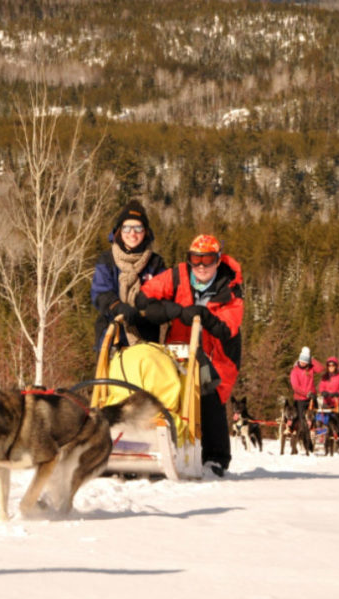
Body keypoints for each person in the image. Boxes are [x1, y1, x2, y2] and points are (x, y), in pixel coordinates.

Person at [136, 234, 243, 477]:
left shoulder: (231, 287)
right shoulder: (179, 275)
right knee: (172, 393)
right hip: (180, 347)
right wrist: (169, 310)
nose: (202, 266)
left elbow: (228, 328)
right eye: (196, 259)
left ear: (218, 260)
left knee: (209, 393)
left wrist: (203, 316)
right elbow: (145, 295)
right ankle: (169, 446)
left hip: (216, 353)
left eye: (208, 259)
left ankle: (216, 457)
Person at [90, 200, 167, 352]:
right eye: (127, 228)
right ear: (119, 230)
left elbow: (164, 292)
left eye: (138, 227)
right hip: (112, 336)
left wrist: (147, 307)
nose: (132, 233)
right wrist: (118, 307)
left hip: (147, 337)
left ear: (145, 231)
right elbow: (100, 293)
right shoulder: (107, 260)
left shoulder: (155, 262)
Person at [317, 356, 339, 448]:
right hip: (327, 403)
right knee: (324, 421)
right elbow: (321, 387)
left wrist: (338, 393)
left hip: (338, 402)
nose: (331, 367)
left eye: (333, 365)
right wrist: (323, 392)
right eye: (329, 365)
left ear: (336, 366)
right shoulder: (324, 377)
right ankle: (324, 438)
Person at [288, 346, 322, 426]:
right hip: (300, 399)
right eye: (302, 361)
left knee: (316, 418)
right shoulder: (295, 371)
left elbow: (320, 368)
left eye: (305, 361)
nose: (303, 363)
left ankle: (317, 432)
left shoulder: (310, 369)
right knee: (302, 420)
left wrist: (312, 359)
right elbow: (295, 387)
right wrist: (306, 393)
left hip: (312, 398)